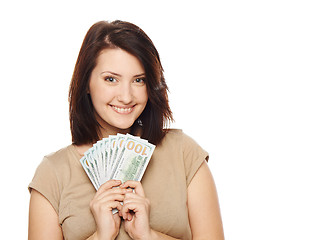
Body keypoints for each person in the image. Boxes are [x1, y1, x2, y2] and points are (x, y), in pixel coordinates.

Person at [28, 20, 224, 240]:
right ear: (86, 83)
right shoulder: (53, 174)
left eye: (138, 80)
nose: (126, 96)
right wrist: (101, 236)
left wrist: (148, 236)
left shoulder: (183, 154)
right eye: (110, 79)